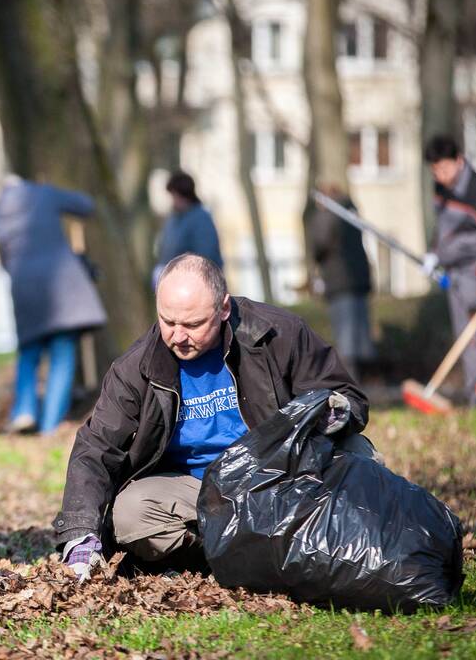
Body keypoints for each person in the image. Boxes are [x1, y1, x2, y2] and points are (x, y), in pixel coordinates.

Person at [53, 254, 380, 580]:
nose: (178, 336)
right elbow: (95, 448)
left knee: (358, 454)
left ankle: (340, 546)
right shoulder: (135, 368)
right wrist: (81, 539)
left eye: (193, 325)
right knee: (131, 513)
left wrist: (329, 414)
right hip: (202, 496)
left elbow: (346, 397)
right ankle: (247, 556)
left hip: (284, 478)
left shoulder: (278, 333)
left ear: (224, 308)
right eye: (167, 321)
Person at [0, 175, 107, 435]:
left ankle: (24, 410)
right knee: (62, 355)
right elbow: (85, 205)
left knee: (29, 353)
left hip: (25, 289)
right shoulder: (42, 193)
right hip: (62, 286)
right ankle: (50, 424)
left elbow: (4, 260)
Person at [422, 135, 476, 406]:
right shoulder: (441, 189)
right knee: (467, 335)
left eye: (445, 168)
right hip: (454, 273)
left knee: (475, 338)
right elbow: (446, 229)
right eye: (435, 170)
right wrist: (435, 253)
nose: (440, 175)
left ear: (459, 160)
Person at [307, 185, 377, 379]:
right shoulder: (351, 213)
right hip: (358, 281)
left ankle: (352, 384)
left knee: (346, 342)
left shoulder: (329, 214)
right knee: (360, 339)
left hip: (340, 282)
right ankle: (363, 381)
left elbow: (319, 244)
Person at [153, 171, 223, 285]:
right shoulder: (173, 219)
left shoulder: (201, 219)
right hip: (173, 283)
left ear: (184, 195)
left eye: (174, 196)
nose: (173, 201)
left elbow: (206, 258)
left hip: (196, 284)